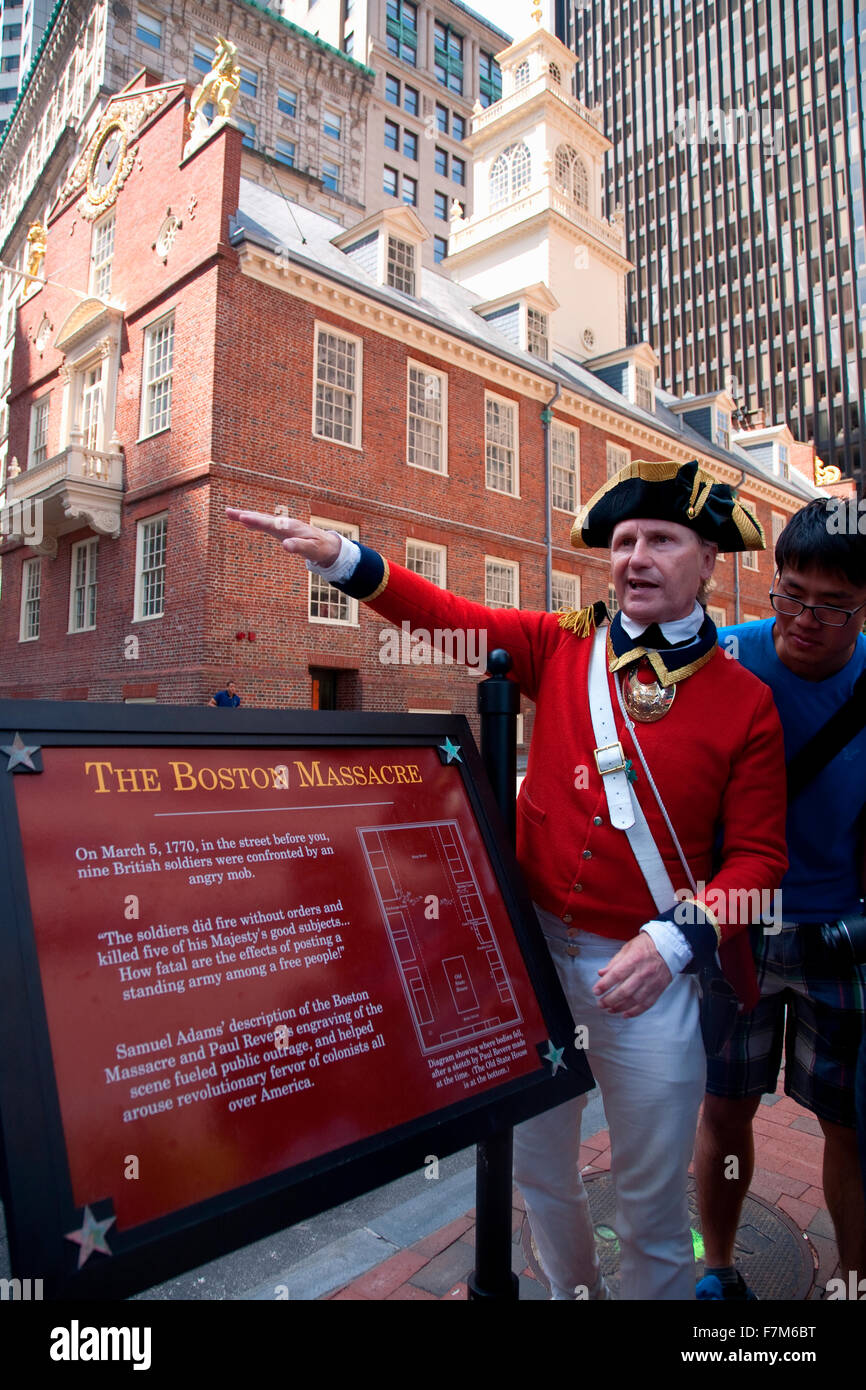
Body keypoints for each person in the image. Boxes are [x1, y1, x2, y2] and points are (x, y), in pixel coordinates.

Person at [226, 457, 788, 1300]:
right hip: (525, 966)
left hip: (647, 978)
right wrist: (341, 556)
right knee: (541, 1173)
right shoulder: (561, 644)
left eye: (662, 541)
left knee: (651, 1209)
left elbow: (759, 865)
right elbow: (449, 621)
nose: (636, 557)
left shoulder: (745, 701)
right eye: (625, 540)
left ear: (709, 561)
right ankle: (568, 1293)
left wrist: (676, 941)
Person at [695, 498, 866, 1299]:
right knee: (726, 1106)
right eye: (792, 594)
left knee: (850, 1124)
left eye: (834, 606)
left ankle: (854, 1280)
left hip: (843, 931)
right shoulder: (721, 656)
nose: (806, 619)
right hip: (739, 927)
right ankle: (717, 1267)